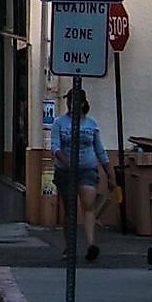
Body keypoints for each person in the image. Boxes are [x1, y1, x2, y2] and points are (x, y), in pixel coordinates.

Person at [50, 85, 110, 262]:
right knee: (69, 211)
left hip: (87, 169)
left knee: (88, 204)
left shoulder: (91, 124)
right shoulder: (59, 123)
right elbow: (55, 146)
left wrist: (109, 171)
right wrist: (67, 162)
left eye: (75, 101)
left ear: (83, 103)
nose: (71, 104)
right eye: (69, 101)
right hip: (65, 171)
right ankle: (70, 247)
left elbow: (99, 149)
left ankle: (91, 244)